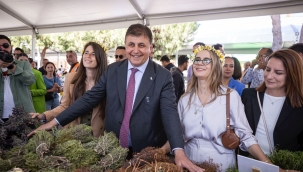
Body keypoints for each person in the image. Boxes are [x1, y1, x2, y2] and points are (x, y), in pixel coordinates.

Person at [28, 24, 203, 172]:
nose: (135, 50)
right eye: (131, 45)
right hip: (113, 147)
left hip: (148, 151)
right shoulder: (113, 71)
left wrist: (178, 150)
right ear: (125, 46)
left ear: (151, 47)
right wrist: (54, 121)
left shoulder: (163, 76)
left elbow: (169, 113)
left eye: (141, 45)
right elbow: (89, 99)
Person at [162, 45, 271, 171]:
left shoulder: (230, 96)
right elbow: (177, 135)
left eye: (206, 60)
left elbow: (246, 136)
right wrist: (158, 152)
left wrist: (269, 165)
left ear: (215, 66)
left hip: (221, 165)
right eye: (197, 60)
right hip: (189, 164)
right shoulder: (185, 99)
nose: (200, 63)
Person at [30, 42, 107, 137]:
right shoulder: (71, 78)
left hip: (97, 134)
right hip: (73, 132)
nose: (88, 56)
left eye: (93, 54)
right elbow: (64, 106)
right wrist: (44, 116)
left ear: (101, 58)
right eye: (86, 52)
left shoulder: (106, 81)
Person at [241, 49, 303, 155]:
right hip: (249, 162)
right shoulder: (249, 95)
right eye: (267, 69)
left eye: (278, 73)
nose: (269, 76)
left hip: (284, 165)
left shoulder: (299, 104)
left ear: (292, 75)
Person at [0, 35, 35, 121]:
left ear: (11, 47)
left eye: (5, 45)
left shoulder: (23, 64)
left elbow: (30, 80)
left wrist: (12, 67)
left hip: (24, 115)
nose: (2, 48)